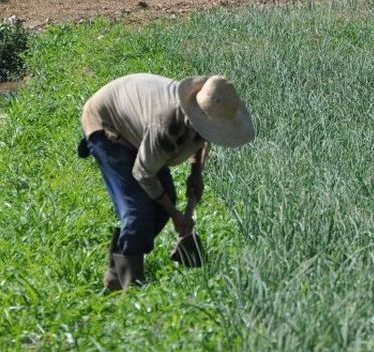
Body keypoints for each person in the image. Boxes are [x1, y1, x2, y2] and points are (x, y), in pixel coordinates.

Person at [78, 73, 254, 290]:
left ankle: (118, 268)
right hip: (107, 123)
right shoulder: (166, 127)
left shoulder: (203, 110)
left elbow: (203, 136)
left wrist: (195, 171)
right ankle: (129, 284)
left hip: (137, 124)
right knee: (137, 211)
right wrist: (176, 216)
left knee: (165, 199)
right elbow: (143, 173)